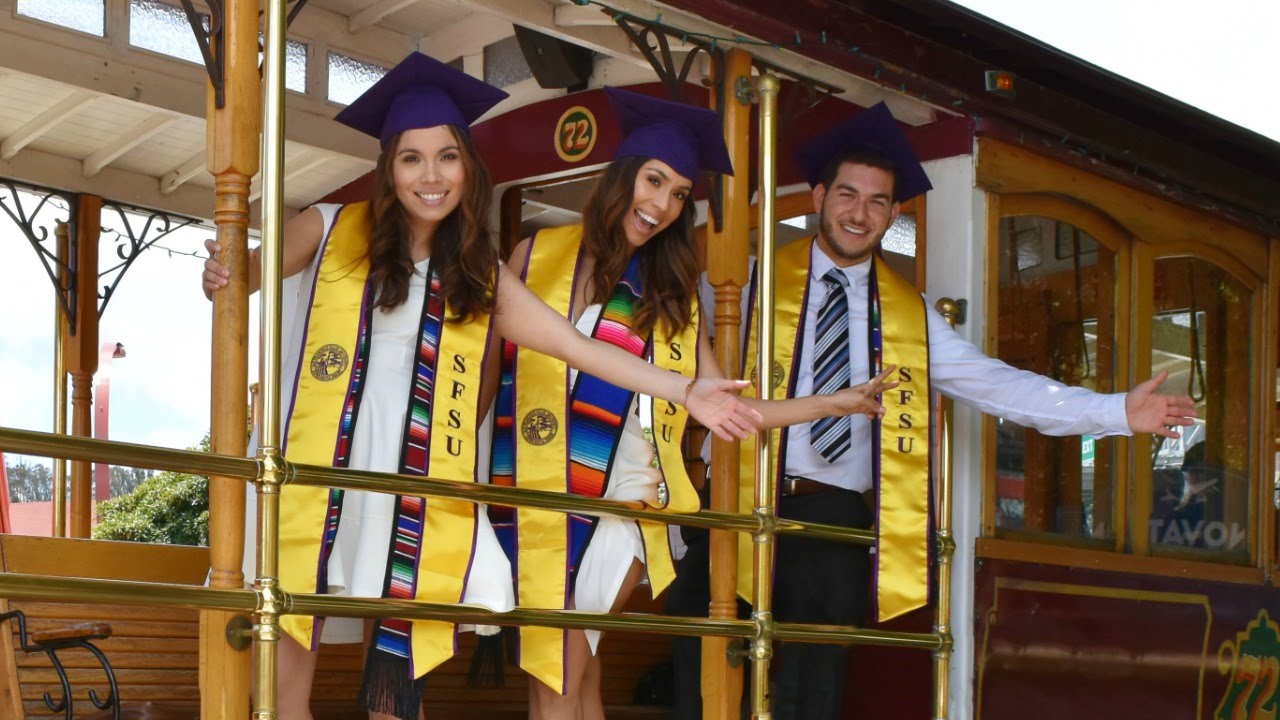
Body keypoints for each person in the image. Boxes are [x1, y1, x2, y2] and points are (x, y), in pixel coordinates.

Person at [201, 54, 762, 720]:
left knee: (398, 668)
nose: (431, 177)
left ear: (468, 167)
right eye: (412, 159)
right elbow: (242, 278)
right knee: (288, 657)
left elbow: (576, 346)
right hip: (322, 466)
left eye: (447, 157)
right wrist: (222, 267)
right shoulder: (329, 229)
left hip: (412, 477)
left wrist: (682, 388)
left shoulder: (478, 273)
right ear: (389, 168)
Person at [668, 101, 1198, 720]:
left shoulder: (909, 318)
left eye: (876, 202)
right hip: (732, 496)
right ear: (817, 198)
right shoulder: (743, 284)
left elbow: (1000, 386)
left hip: (832, 514)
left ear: (893, 214)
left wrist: (1115, 412)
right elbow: (669, 342)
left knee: (810, 694)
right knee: (696, 671)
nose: (858, 213)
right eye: (846, 195)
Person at [488, 88, 897, 720]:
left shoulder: (670, 300)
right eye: (654, 182)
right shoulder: (534, 257)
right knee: (577, 669)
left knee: (558, 666)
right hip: (530, 482)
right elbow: (490, 372)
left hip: (627, 499)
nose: (661, 205)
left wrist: (834, 402)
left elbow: (737, 410)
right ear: (621, 177)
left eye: (679, 194)